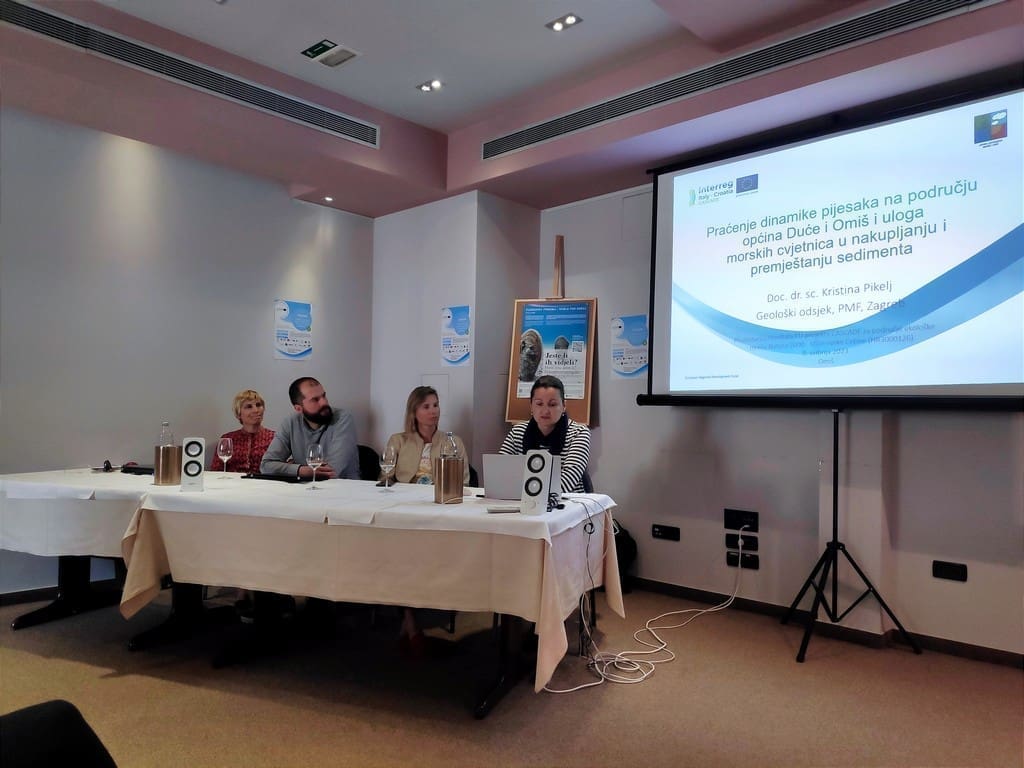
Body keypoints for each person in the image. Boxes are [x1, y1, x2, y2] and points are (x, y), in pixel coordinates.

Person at [499, 374, 591, 493]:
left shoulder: (578, 433)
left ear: (564, 406)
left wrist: (533, 494)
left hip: (568, 501)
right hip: (523, 499)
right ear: (531, 405)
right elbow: (500, 471)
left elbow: (568, 480)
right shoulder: (517, 432)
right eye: (539, 404)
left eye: (552, 405)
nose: (545, 411)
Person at [260, 377, 360, 480]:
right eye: (315, 400)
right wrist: (300, 470)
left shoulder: (342, 419)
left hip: (343, 487)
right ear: (299, 408)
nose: (324, 403)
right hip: (305, 487)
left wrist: (291, 469)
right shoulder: (290, 423)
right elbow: (266, 466)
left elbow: (332, 472)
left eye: (324, 396)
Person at [381, 386, 470, 485]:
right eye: (426, 407)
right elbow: (385, 478)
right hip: (405, 492)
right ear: (414, 412)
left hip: (441, 493)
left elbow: (463, 482)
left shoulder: (454, 442)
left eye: (435, 405)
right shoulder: (398, 441)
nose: (433, 411)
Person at [211, 389, 275, 474]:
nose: (256, 410)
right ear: (238, 414)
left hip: (265, 481)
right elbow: (215, 471)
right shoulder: (228, 439)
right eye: (249, 407)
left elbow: (281, 468)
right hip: (232, 481)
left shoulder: (275, 438)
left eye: (258, 405)